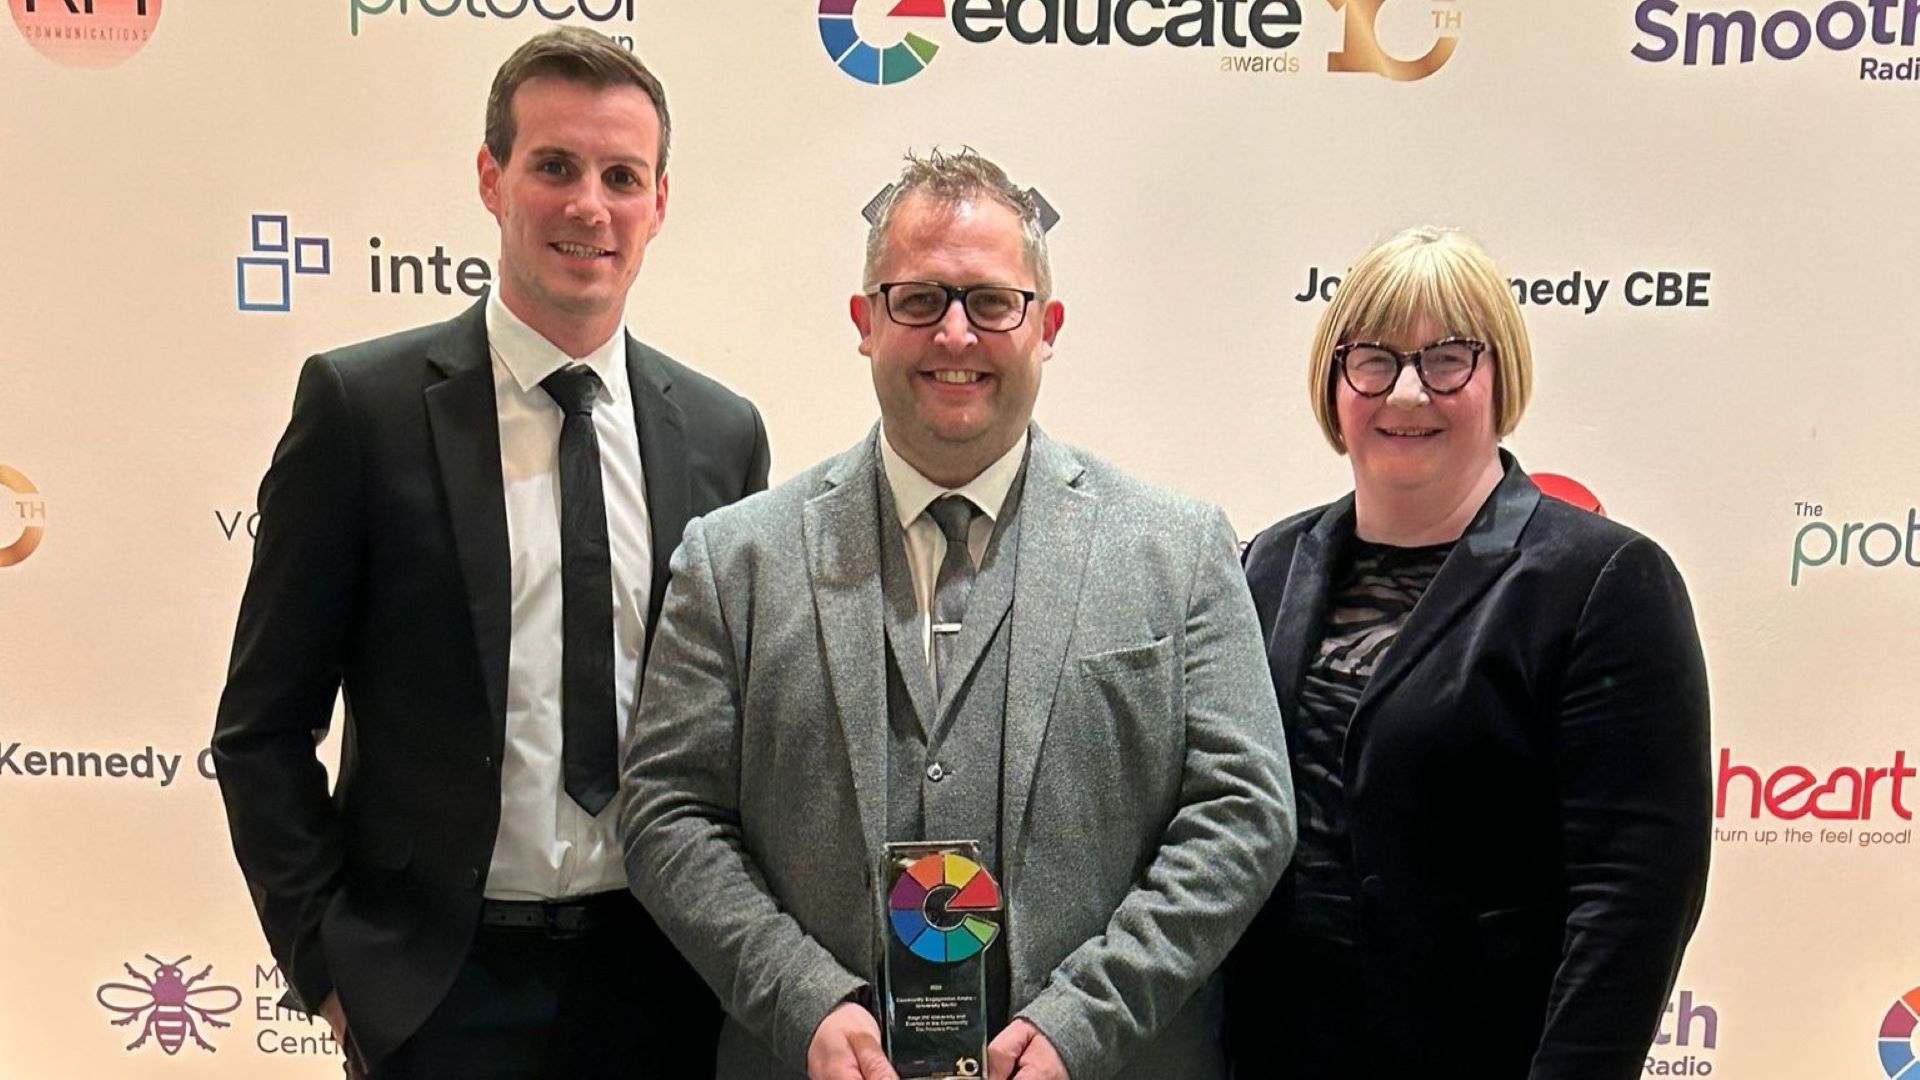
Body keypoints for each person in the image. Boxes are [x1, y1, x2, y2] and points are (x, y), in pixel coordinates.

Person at [620, 148, 1294, 1080]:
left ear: (1046, 326)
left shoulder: (1176, 550)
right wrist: (801, 999)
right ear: (865, 322)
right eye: (919, 300)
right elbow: (666, 813)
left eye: (991, 302)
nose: (955, 335)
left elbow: (1246, 813)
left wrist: (1083, 1021)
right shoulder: (735, 561)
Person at [211, 27, 768, 1078]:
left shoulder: (720, 432)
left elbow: (738, 737)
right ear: (491, 176)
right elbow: (262, 730)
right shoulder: (360, 409)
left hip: (663, 984)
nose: (587, 206)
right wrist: (331, 971)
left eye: (621, 176)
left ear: (659, 203)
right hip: (434, 992)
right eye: (553, 166)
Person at [1228, 226, 1711, 1078]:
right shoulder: (1268, 563)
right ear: (1334, 384)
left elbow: (1631, 903)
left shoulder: (1604, 583)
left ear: (1501, 377)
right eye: (1373, 359)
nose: (1407, 394)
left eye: (1447, 358)